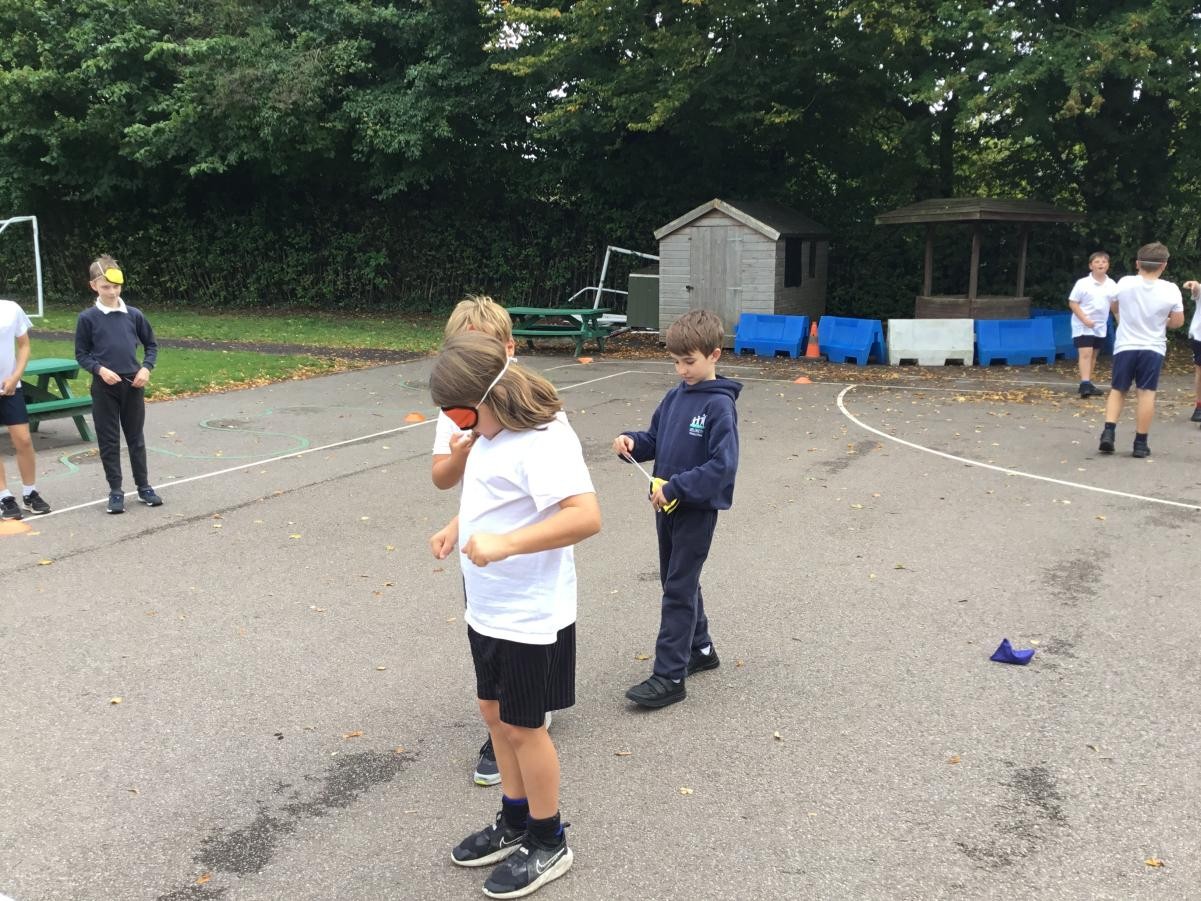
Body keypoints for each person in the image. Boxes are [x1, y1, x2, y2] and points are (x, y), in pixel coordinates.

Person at [429, 332, 599, 898]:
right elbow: (492, 499)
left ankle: (549, 840)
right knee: (493, 713)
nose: (456, 425)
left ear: (492, 395)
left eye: (459, 413)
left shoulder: (545, 439)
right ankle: (515, 818)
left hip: (529, 612)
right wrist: (457, 527)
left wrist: (506, 544)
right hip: (488, 605)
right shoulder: (489, 436)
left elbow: (585, 516)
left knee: (525, 727)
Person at [612, 309, 741, 709]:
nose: (682, 370)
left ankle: (669, 675)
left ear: (714, 355)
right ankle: (701, 649)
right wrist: (632, 442)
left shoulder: (719, 406)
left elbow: (723, 466)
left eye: (689, 361)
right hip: (666, 507)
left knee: (679, 590)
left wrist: (678, 488)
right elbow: (655, 440)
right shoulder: (674, 397)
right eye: (676, 362)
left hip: (694, 511)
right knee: (676, 581)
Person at [431, 295, 532, 788]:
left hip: (523, 553)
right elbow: (446, 479)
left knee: (524, 643)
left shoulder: (528, 408)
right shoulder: (457, 408)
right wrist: (457, 522)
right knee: (488, 643)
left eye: (482, 351)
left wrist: (513, 543)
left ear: (508, 350)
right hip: (480, 557)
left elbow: (569, 507)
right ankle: (502, 728)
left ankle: (525, 717)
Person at [74, 255, 163, 513]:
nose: (112, 292)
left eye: (116, 286)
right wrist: (100, 370)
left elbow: (151, 345)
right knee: (109, 440)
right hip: (105, 388)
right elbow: (82, 354)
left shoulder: (134, 315)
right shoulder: (88, 318)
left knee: (136, 438)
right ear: (94, 286)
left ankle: (144, 487)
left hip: (132, 385)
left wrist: (146, 368)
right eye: (106, 287)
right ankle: (115, 490)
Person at [1098, 242, 1184, 458]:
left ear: (1137, 264)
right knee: (1146, 393)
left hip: (1126, 344)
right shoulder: (1171, 289)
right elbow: (1177, 322)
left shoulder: (1125, 283)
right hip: (1153, 347)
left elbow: (1114, 305)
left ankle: (1108, 432)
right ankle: (1140, 442)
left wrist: (1124, 316)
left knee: (1118, 389)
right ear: (1163, 265)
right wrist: (1163, 321)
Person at [0, 298, 52, 519]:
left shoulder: (10, 308)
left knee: (23, 439)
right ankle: (4, 497)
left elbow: (24, 345)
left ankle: (30, 493)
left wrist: (15, 377)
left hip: (10, 387)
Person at [1067, 251, 1118, 397]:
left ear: (1108, 265)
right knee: (1086, 352)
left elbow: (1114, 306)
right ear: (1091, 266)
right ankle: (1084, 384)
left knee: (1094, 354)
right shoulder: (1083, 283)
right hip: (1082, 324)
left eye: (1104, 261)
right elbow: (1073, 303)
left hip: (1100, 325)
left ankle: (1088, 382)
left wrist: (1121, 322)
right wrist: (1084, 319)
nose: (1101, 264)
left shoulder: (1112, 284)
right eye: (1097, 262)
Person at [1183, 279, 1201, 424]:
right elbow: (1195, 289)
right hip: (1199, 337)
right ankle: (1199, 407)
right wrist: (1193, 285)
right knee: (1200, 372)